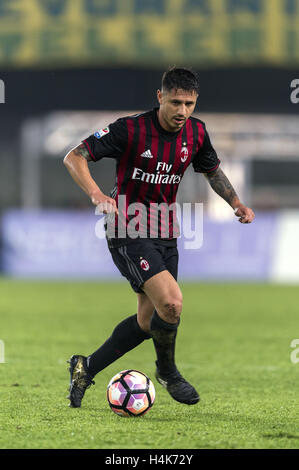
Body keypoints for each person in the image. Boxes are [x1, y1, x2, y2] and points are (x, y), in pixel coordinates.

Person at [63, 66, 255, 408]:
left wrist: (235, 201)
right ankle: (167, 371)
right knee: (172, 302)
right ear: (160, 97)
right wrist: (96, 194)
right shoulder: (130, 129)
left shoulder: (196, 132)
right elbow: (74, 156)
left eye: (189, 104)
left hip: (166, 229)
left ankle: (85, 367)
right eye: (176, 102)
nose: (182, 111)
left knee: (148, 320)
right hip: (127, 225)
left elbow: (211, 169)